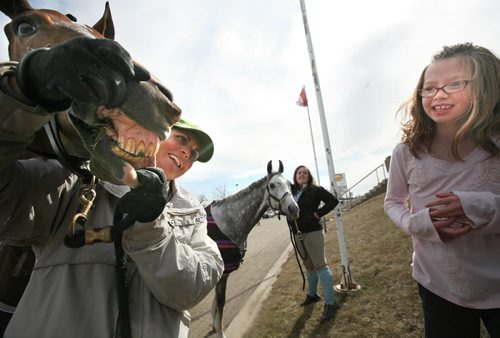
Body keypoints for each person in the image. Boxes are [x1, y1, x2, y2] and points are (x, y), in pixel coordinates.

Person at [0, 37, 223, 337]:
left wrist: (149, 227)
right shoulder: (77, 181)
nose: (187, 153)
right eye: (182, 139)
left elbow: (191, 289)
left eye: (194, 154)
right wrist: (22, 96)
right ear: (150, 131)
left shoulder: (193, 214)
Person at [384, 42, 500, 338]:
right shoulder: (406, 152)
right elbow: (393, 202)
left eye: (455, 84)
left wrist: (479, 207)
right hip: (438, 284)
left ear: (487, 86)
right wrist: (415, 223)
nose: (438, 94)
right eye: (430, 87)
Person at [287, 165, 339, 323]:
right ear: (295, 176)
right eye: (299, 173)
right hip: (297, 235)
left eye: (305, 173)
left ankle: (330, 303)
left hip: (313, 233)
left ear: (309, 176)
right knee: (308, 266)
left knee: (320, 266)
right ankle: (312, 295)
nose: (301, 174)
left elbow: (333, 201)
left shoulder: (316, 190)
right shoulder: (291, 192)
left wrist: (318, 214)